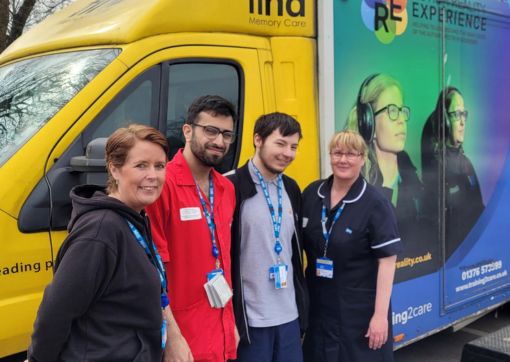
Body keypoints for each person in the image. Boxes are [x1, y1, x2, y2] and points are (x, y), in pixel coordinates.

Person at [27, 124, 170, 361]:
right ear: (114, 169)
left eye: (160, 166)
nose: (153, 176)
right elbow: (56, 312)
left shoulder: (133, 218)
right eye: (141, 165)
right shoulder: (101, 230)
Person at [146, 95, 238, 361]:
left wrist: (229, 323)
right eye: (210, 130)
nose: (219, 142)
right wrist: (171, 338)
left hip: (219, 330)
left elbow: (222, 261)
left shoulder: (226, 189)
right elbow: (153, 272)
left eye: (227, 134)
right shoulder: (162, 186)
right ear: (187, 130)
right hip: (181, 339)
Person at [302, 130, 401, 362]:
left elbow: (387, 262)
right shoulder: (311, 194)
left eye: (351, 154)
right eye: (337, 153)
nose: (343, 159)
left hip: (358, 313)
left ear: (363, 159)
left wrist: (380, 316)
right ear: (330, 156)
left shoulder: (375, 203)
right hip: (319, 309)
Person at [227, 113, 309, 361]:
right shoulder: (230, 186)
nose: (288, 153)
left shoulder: (292, 188)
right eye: (280, 144)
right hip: (250, 322)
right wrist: (230, 320)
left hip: (289, 317)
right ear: (258, 140)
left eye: (293, 147)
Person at [347, 73, 435, 281]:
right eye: (392, 111)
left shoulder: (414, 179)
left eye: (403, 111)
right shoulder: (356, 185)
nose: (402, 120)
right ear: (368, 121)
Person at [421, 87, 484, 259]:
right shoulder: (436, 166)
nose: (463, 122)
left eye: (464, 114)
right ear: (444, 121)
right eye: (457, 115)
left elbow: (479, 209)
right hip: (450, 257)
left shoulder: (467, 164)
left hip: (472, 253)